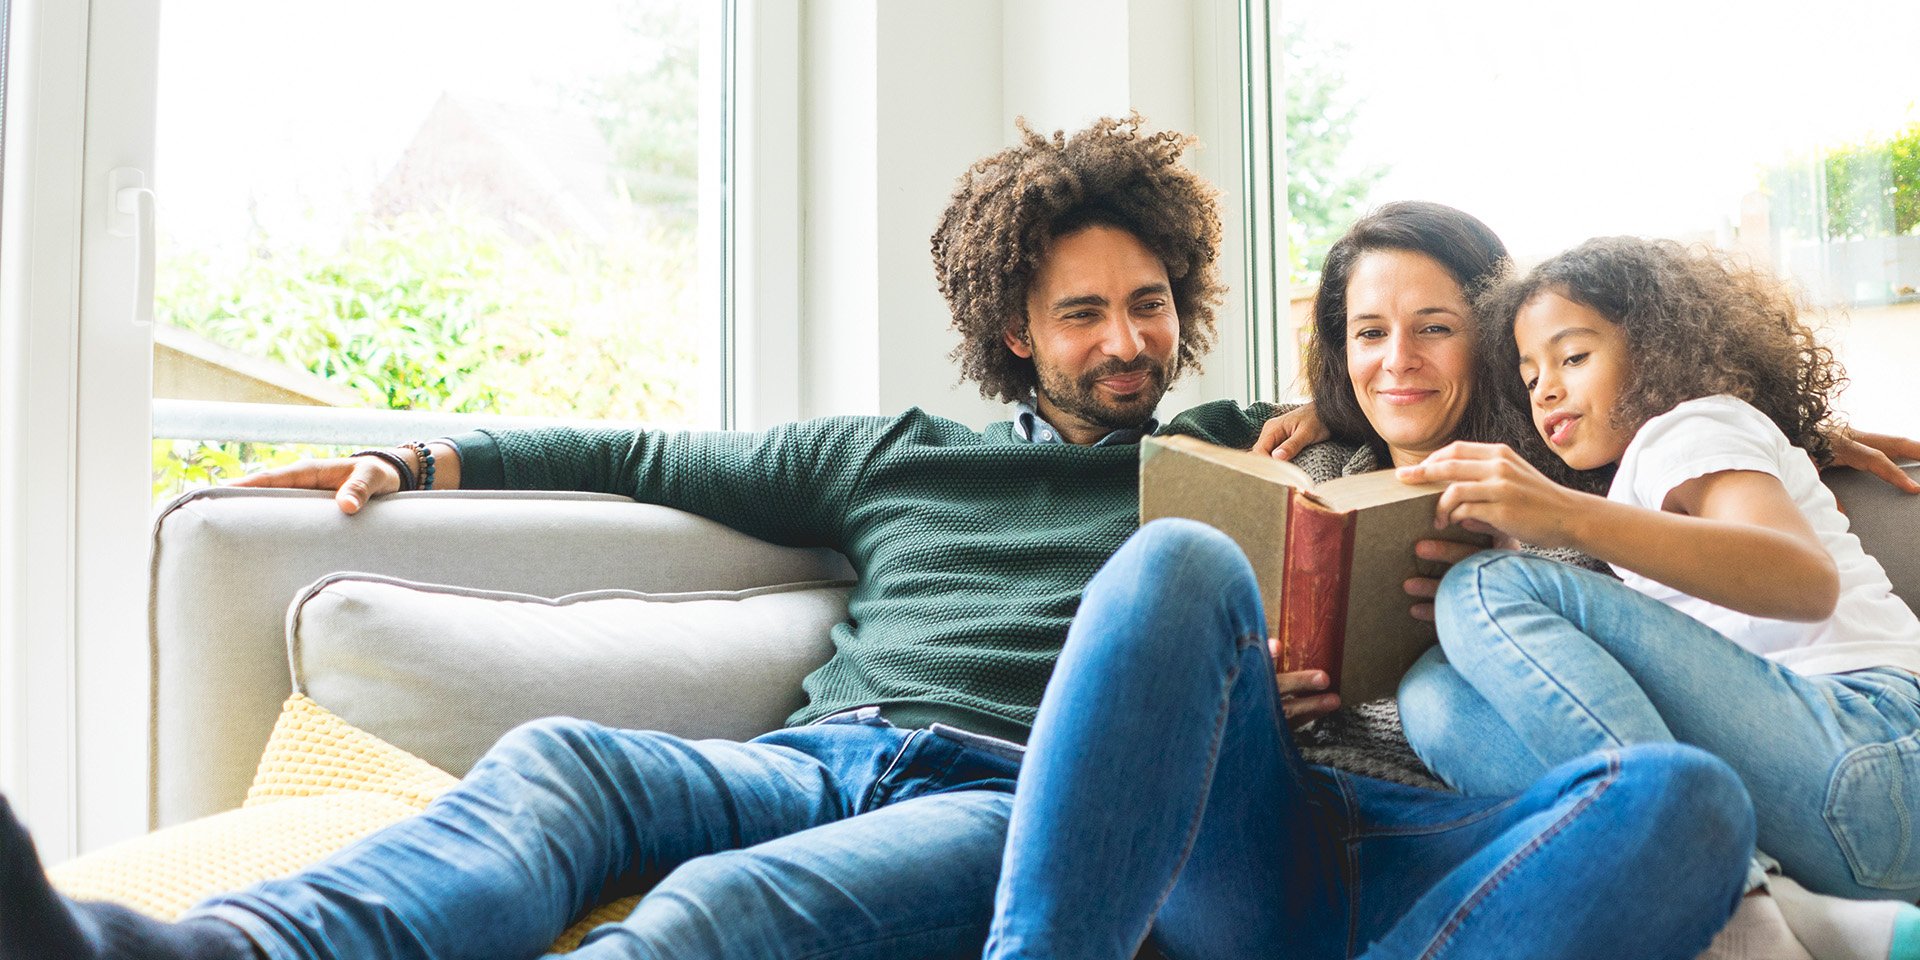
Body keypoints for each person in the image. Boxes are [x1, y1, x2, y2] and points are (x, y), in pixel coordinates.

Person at [0, 124, 1768, 960]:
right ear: (1015, 330)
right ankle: (198, 957)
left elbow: (1555, 378)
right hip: (818, 754)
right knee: (562, 775)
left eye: (1151, 307)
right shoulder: (885, 455)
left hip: (1029, 792)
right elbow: (642, 445)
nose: (1128, 343)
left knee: (733, 909)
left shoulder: (1250, 447)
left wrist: (1783, 420)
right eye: (1084, 316)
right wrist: (423, 454)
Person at [1395, 236, 1920, 960]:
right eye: (1529, 374)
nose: (1545, 388)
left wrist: (1561, 517)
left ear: (1659, 350)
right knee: (1434, 696)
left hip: (1878, 744)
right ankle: (1782, 907)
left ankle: (1727, 903)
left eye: (1573, 357)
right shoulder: (1634, 484)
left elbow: (1805, 578)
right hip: (1828, 819)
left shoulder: (1691, 425)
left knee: (1485, 586)